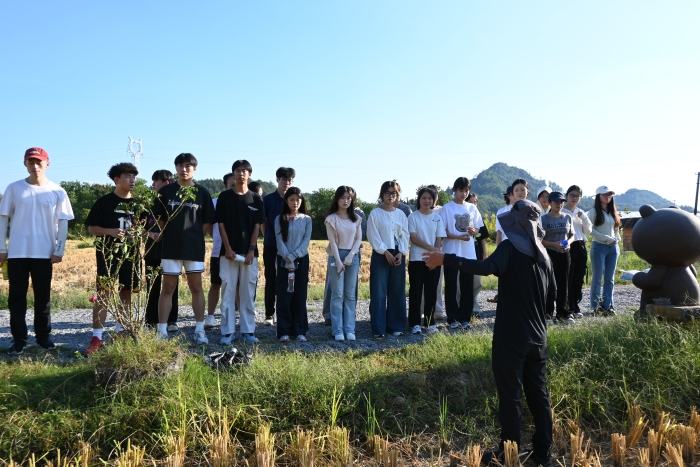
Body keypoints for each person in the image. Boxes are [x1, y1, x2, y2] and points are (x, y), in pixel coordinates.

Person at [423, 200, 555, 467]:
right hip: (538, 338)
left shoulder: (510, 247)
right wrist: (508, 294)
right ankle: (544, 454)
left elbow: (485, 268)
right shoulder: (544, 255)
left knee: (511, 396)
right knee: (539, 395)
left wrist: (446, 258)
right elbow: (549, 297)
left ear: (515, 222)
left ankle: (509, 454)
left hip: (511, 336)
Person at [0, 147, 74, 354]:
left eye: (38, 162)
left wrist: (59, 249)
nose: (35, 166)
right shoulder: (14, 188)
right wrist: (2, 248)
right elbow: (3, 218)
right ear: (25, 163)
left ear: (47, 164)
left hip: (44, 253)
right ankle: (19, 339)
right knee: (16, 297)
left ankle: (43, 337)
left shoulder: (57, 191)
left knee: (43, 297)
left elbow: (63, 221)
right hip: (17, 252)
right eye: (31, 162)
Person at [153, 153, 216, 344]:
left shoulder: (202, 192)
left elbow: (208, 220)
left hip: (193, 247)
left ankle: (199, 330)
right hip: (170, 247)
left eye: (188, 166)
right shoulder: (166, 191)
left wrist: (196, 235)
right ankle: (162, 331)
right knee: (168, 288)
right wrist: (163, 232)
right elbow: (159, 217)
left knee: (196, 288)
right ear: (176, 168)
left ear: (194, 169)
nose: (184, 169)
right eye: (180, 166)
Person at [84, 162, 139, 355]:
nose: (132, 180)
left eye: (134, 176)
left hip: (131, 255)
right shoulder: (104, 202)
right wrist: (110, 232)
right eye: (127, 176)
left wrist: (138, 232)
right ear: (116, 180)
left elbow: (145, 227)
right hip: (107, 255)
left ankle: (120, 333)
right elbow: (92, 228)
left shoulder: (139, 204)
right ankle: (97, 337)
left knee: (126, 293)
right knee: (104, 294)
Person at [216, 160, 264, 344]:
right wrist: (228, 248)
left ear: (249, 174)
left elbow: (257, 226)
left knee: (247, 293)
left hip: (249, 254)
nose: (241, 174)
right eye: (238, 171)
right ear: (233, 174)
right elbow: (221, 224)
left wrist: (251, 249)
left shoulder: (256, 198)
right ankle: (227, 332)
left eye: (244, 171)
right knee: (228, 292)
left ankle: (248, 331)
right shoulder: (224, 197)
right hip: (228, 253)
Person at [438, 177, 483, 330]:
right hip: (450, 252)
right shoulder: (447, 208)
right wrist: (458, 237)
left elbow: (478, 228)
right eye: (461, 190)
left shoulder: (472, 208)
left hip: (468, 253)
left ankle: (465, 318)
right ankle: (452, 318)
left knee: (467, 286)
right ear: (454, 190)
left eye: (466, 190)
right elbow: (443, 231)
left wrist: (473, 231)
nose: (464, 193)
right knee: (451, 286)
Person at [367, 181, 409, 338]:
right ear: (382, 194)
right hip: (381, 254)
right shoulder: (375, 213)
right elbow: (373, 235)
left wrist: (401, 252)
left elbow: (405, 234)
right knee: (379, 291)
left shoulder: (401, 214)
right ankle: (379, 329)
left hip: (398, 254)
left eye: (394, 193)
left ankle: (396, 325)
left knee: (397, 290)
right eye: (388, 193)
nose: (391, 196)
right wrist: (385, 252)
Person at [274, 187, 312, 342]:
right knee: (284, 295)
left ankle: (300, 330)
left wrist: (294, 256)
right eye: (292, 199)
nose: (295, 202)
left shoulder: (306, 219)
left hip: (301, 260)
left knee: (299, 294)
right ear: (286, 201)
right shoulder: (279, 219)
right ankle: (284, 331)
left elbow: (306, 241)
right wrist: (287, 258)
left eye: (298, 199)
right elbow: (279, 240)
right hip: (283, 259)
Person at [325, 186, 362, 341]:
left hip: (353, 257)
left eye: (349, 198)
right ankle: (337, 330)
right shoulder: (331, 219)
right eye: (343, 198)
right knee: (337, 294)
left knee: (350, 295)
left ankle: (350, 329)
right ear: (337, 199)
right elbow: (332, 242)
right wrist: (339, 261)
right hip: (336, 256)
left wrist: (350, 256)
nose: (346, 201)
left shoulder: (356, 218)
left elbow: (358, 239)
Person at [144, 169, 179, 330]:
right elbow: (139, 226)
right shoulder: (148, 202)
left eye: (155, 181)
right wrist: (151, 234)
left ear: (166, 183)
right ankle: (151, 320)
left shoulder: (176, 203)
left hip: (172, 251)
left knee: (171, 287)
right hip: (152, 251)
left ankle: (171, 321)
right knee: (152, 286)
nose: (153, 185)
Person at [407, 187, 446, 334]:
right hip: (417, 259)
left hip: (434, 260)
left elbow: (439, 238)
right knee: (415, 291)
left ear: (433, 200)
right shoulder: (413, 217)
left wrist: (434, 254)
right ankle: (414, 323)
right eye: (424, 198)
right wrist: (433, 250)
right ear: (419, 199)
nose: (427, 201)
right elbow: (414, 238)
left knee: (431, 291)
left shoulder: (437, 218)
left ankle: (430, 323)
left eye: (430, 198)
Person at [262, 167, 296, 326]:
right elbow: (263, 223)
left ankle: (287, 312)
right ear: (277, 180)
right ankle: (269, 313)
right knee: (270, 278)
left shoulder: (295, 199)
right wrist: (269, 236)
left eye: (289, 180)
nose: (286, 183)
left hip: (291, 247)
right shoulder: (268, 199)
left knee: (290, 278)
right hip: (271, 244)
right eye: (283, 179)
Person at [205, 173, 236, 329]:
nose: (234, 188)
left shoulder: (243, 201)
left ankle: (238, 314)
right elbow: (209, 225)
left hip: (237, 251)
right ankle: (210, 316)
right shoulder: (215, 202)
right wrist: (218, 239)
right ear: (224, 186)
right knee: (216, 284)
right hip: (218, 251)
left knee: (237, 285)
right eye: (231, 186)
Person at [540, 192, 575, 324]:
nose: (559, 204)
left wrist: (568, 243)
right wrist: (553, 244)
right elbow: (539, 239)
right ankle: (548, 314)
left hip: (564, 254)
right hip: (549, 253)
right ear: (549, 203)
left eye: (561, 202)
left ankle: (563, 313)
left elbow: (572, 235)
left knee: (564, 283)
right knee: (549, 284)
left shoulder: (568, 217)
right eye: (556, 202)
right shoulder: (543, 219)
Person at [587, 186, 621, 315]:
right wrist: (607, 238)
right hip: (599, 246)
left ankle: (608, 305)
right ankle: (595, 306)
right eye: (605, 194)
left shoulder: (613, 211)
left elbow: (616, 230)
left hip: (613, 247)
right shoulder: (593, 212)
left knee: (609, 278)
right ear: (598, 196)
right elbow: (590, 230)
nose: (608, 197)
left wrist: (617, 239)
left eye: (610, 194)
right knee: (597, 278)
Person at [561, 185, 592, 318]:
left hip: (580, 245)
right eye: (572, 195)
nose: (574, 198)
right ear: (566, 196)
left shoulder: (581, 212)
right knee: (569, 276)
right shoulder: (561, 211)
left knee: (579, 276)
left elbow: (588, 230)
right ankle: (570, 306)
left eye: (577, 196)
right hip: (568, 246)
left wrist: (583, 217)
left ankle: (576, 305)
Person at [422, 184, 447, 320]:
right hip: (422, 249)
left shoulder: (442, 210)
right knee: (422, 282)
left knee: (437, 282)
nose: (430, 198)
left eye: (434, 194)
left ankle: (437, 310)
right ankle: (422, 309)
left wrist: (437, 248)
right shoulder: (420, 211)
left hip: (439, 248)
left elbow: (444, 231)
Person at [466, 192, 489, 316]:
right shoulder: (463, 217)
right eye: (471, 202)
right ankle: (463, 307)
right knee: (463, 282)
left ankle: (474, 307)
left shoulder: (478, 218)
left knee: (477, 282)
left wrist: (484, 253)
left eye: (476, 202)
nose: (474, 204)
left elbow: (482, 238)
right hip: (464, 254)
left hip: (477, 254)